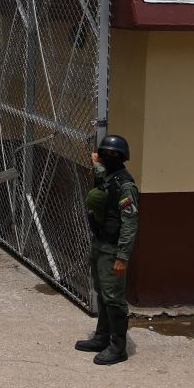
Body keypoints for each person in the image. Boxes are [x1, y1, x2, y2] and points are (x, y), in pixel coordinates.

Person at [75, 135, 140, 366]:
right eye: (106, 153)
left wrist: (122, 256)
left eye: (115, 154)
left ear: (122, 157)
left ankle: (117, 347)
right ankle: (102, 337)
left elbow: (130, 223)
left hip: (113, 249)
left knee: (114, 298)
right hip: (100, 243)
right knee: (102, 292)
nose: (110, 157)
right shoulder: (108, 177)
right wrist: (96, 163)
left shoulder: (126, 186)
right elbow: (102, 176)